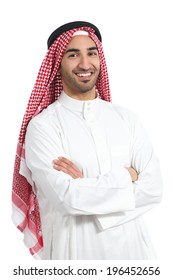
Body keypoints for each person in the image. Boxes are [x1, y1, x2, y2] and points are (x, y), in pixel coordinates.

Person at [12, 21, 163, 260]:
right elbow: (68, 199)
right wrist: (128, 177)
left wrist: (85, 184)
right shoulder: (43, 127)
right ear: (56, 64)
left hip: (135, 257)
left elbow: (154, 189)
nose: (85, 64)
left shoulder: (126, 118)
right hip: (75, 257)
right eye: (73, 55)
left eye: (91, 53)